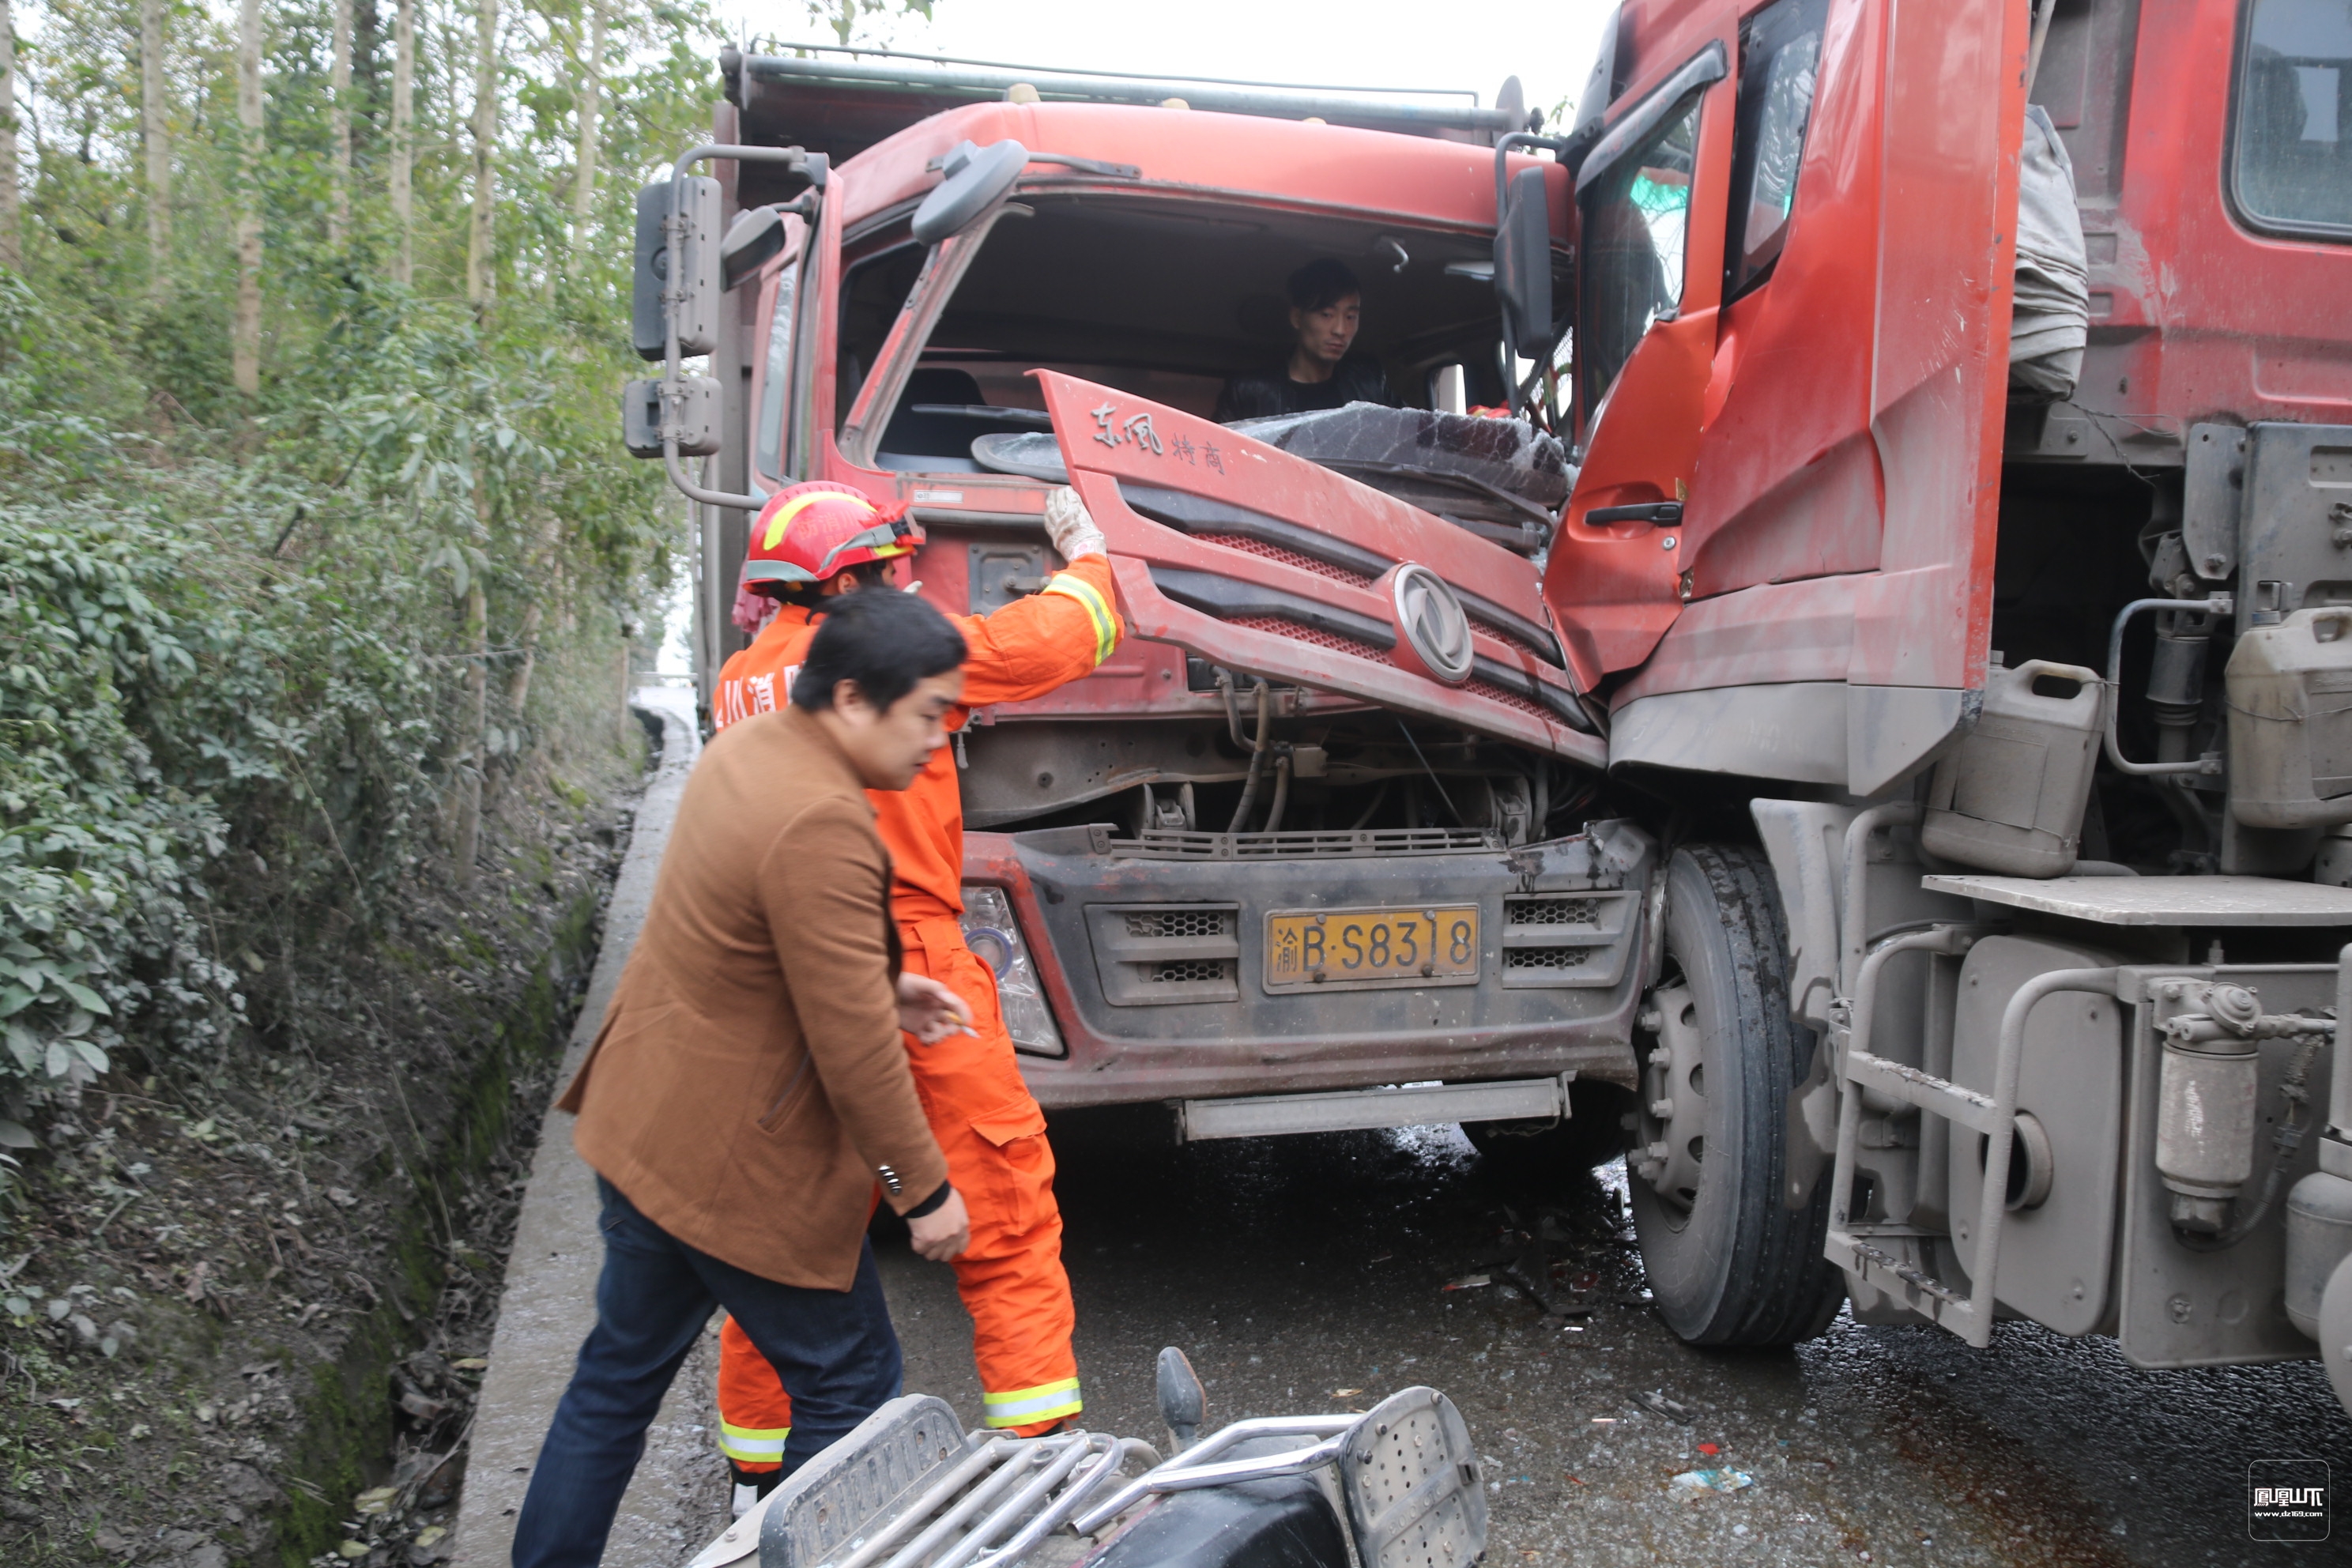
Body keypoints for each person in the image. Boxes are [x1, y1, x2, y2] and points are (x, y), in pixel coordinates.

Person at [511, 589, 980, 1568]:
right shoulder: (824, 819)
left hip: (644, 1125)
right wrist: (922, 1191)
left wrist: (882, 981)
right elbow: (852, 1052)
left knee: (615, 1379)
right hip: (735, 1169)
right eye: (930, 711)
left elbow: (747, 927)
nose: (940, 739)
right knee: (852, 1383)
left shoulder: (748, 747)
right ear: (855, 697)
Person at [707, 480, 1123, 1514]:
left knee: (782, 1238)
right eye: (890, 564)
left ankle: (756, 1487)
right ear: (849, 580)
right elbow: (1061, 638)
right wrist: (1091, 553)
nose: (905, 578)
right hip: (911, 957)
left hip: (786, 976)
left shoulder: (739, 682)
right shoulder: (896, 649)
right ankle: (1041, 1468)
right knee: (1007, 1208)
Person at [1213, 258, 1396, 421]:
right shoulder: (1249, 392)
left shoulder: (1369, 382)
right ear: (1297, 318)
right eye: (1327, 315)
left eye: (1350, 317)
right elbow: (1219, 453)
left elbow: (1407, 440)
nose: (1340, 330)